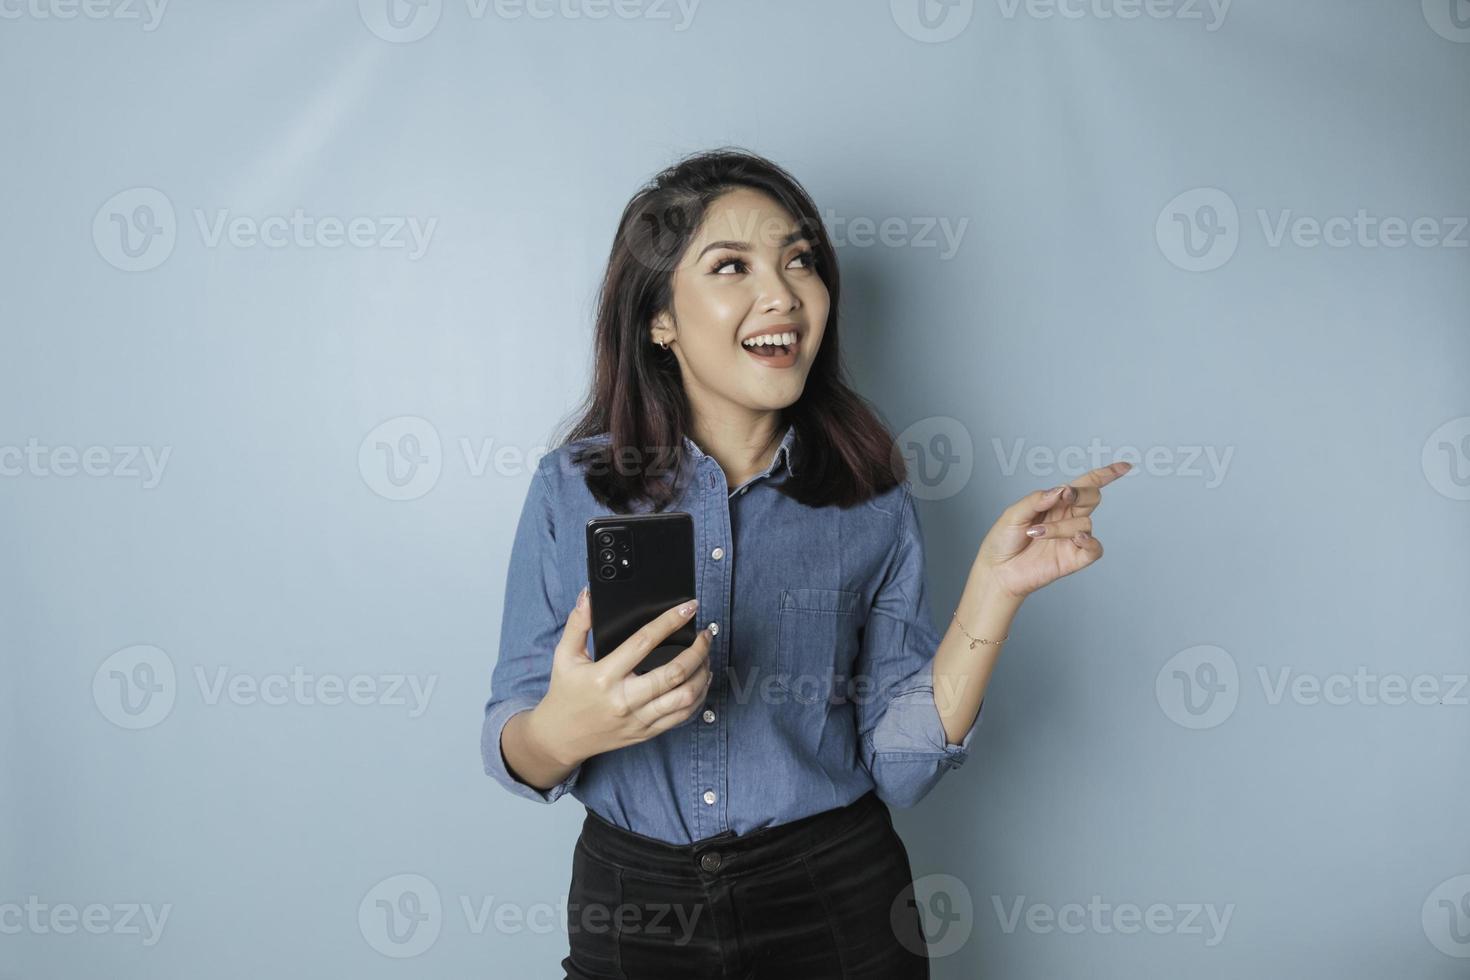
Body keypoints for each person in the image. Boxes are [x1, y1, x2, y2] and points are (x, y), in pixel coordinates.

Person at [480, 147, 1130, 978]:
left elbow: (899, 770)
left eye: (799, 261)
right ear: (659, 319)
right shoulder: (571, 490)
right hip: (632, 908)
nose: (782, 293)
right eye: (731, 265)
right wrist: (563, 731)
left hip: (836, 903)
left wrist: (993, 593)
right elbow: (513, 731)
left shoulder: (872, 496)